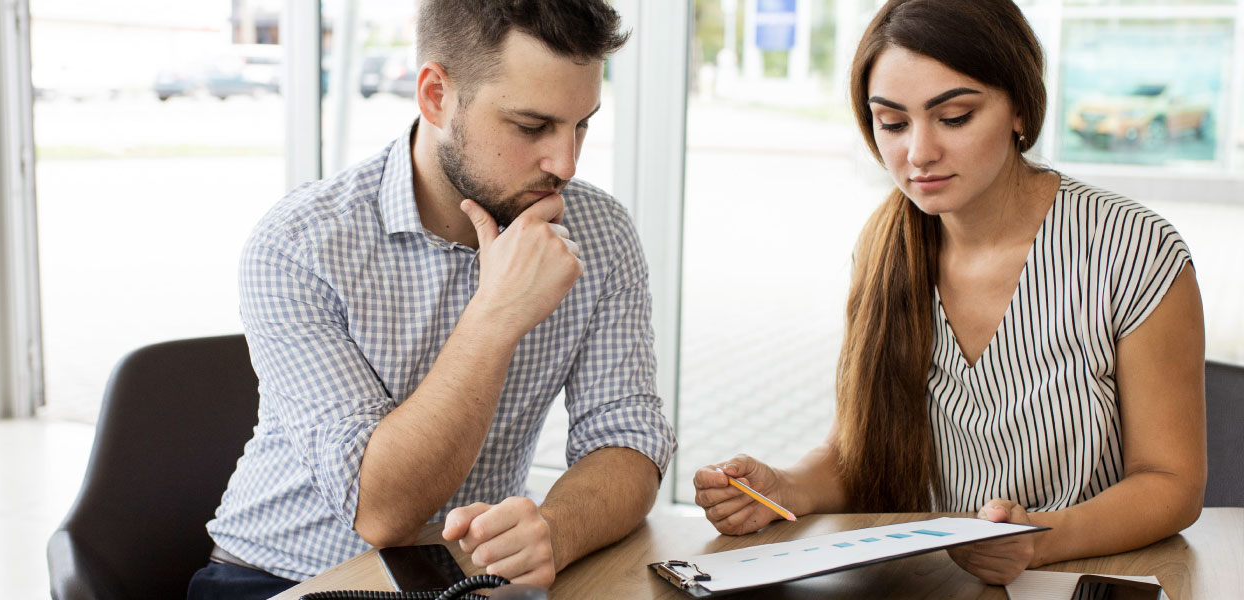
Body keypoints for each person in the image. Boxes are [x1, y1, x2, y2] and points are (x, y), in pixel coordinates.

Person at [694, 0, 1205, 586]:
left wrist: (1035, 541)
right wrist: (787, 488)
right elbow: (856, 453)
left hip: (1095, 579)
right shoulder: (886, 246)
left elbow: (1171, 483)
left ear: (1019, 107)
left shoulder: (1134, 249)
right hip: (942, 582)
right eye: (892, 123)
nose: (918, 153)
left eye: (954, 116)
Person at [188, 1, 676, 597]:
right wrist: (496, 315)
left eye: (582, 124)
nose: (565, 163)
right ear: (436, 96)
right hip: (279, 576)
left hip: (462, 580)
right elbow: (382, 514)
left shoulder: (600, 233)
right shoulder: (299, 244)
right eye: (531, 126)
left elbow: (627, 436)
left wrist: (555, 530)